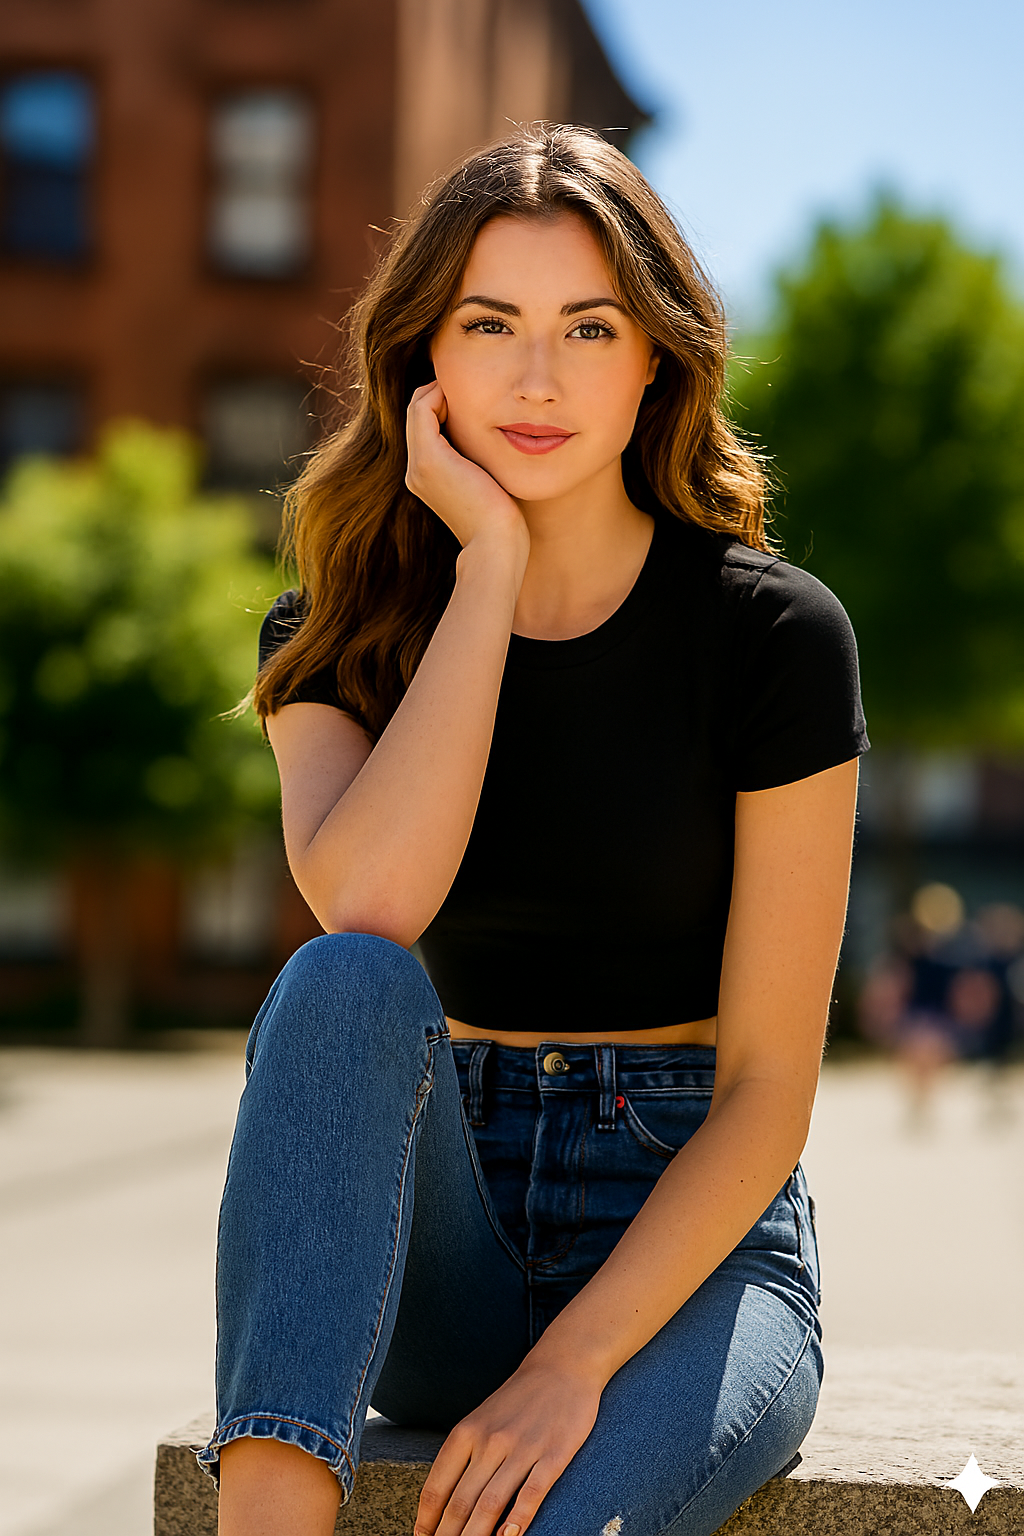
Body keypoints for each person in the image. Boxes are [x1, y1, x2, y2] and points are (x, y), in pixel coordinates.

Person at [196, 124, 870, 1536]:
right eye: (490, 323)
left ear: (655, 363)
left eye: (590, 328)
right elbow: (371, 907)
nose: (538, 377)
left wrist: (571, 1367)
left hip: (692, 1244)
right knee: (342, 982)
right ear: (426, 359)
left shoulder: (772, 639)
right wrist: (488, 568)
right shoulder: (339, 634)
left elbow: (768, 1088)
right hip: (438, 1236)